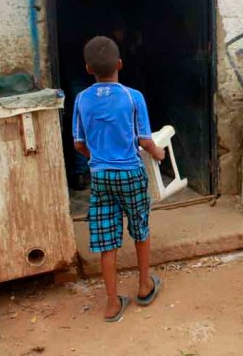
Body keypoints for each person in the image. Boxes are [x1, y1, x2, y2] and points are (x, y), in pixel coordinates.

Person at [73, 36, 165, 322]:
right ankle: (144, 285)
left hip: (100, 177)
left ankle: (112, 304)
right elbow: (145, 140)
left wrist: (96, 160)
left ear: (88, 68)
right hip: (131, 174)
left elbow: (78, 144)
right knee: (140, 228)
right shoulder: (133, 97)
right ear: (120, 64)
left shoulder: (81, 99)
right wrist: (159, 153)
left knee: (106, 239)